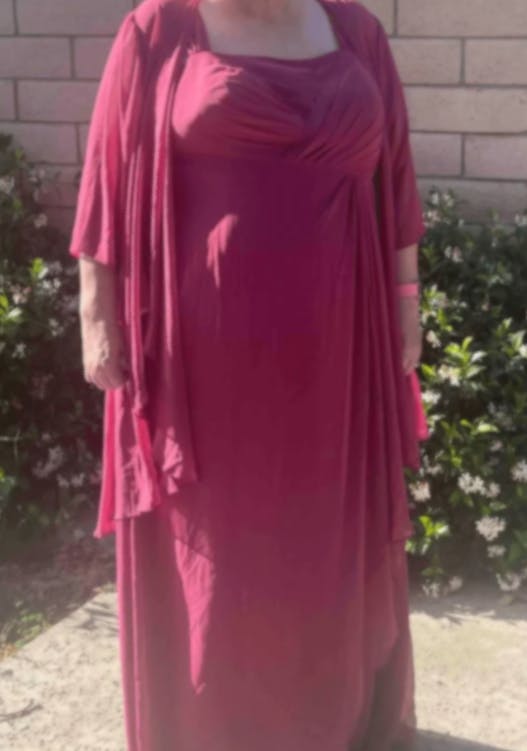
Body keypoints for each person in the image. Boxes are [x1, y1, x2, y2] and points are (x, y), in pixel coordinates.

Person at [70, 0, 430, 749]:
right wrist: (96, 312)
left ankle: (326, 721)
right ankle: (217, 728)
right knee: (225, 546)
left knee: (322, 535)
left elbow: (393, 176)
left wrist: (406, 302)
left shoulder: (356, 31)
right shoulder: (159, 30)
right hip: (206, 359)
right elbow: (109, 174)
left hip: (339, 347)